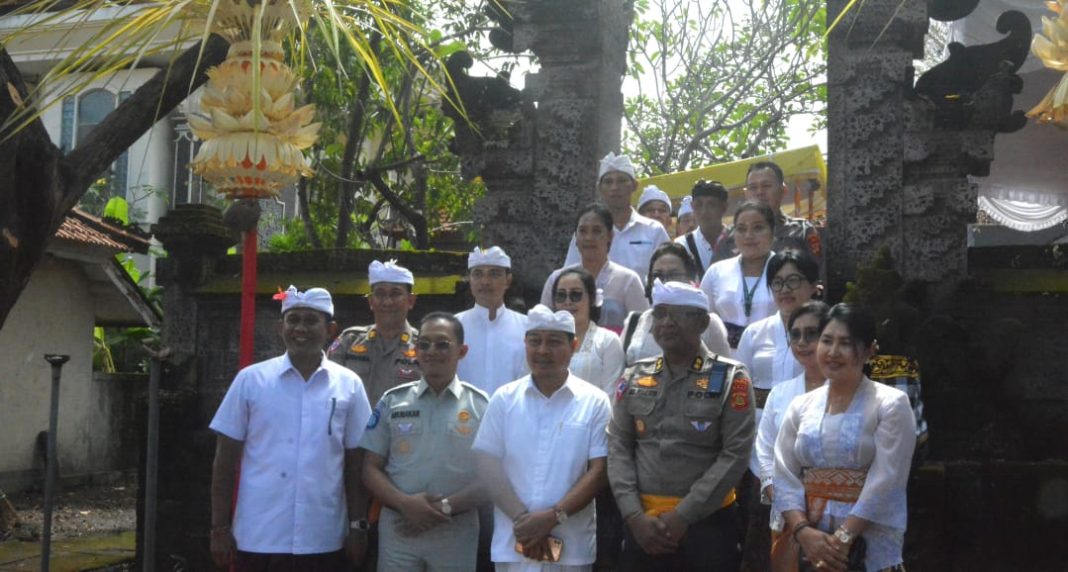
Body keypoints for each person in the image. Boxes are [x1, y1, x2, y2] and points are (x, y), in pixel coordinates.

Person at [210, 286, 372, 572]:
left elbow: (356, 461)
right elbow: (225, 459)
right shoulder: (250, 381)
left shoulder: (349, 384)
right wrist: (219, 528)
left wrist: (358, 526)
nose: (301, 328)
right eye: (293, 319)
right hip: (259, 536)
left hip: (323, 537)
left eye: (311, 320)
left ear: (331, 329)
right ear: (279, 327)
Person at [607, 279, 756, 571]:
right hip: (642, 524)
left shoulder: (731, 378)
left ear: (702, 323)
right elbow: (619, 446)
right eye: (660, 314)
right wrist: (634, 516)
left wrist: (683, 516)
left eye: (678, 314)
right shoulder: (635, 376)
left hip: (707, 527)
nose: (667, 322)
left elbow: (735, 455)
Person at [773, 304, 916, 572]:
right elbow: (783, 472)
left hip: (866, 542)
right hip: (807, 541)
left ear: (869, 350)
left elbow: (887, 478)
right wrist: (803, 531)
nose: (833, 352)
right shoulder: (800, 406)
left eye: (845, 343)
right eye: (826, 341)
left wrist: (843, 539)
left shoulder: (891, 404)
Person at [473, 305, 612, 572]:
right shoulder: (504, 398)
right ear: (525, 344)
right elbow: (486, 462)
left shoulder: (595, 401)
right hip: (514, 541)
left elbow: (599, 470)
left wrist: (553, 517)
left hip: (570, 546)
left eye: (554, 342)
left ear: (573, 345)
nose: (543, 351)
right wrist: (523, 520)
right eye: (534, 341)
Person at [360, 312, 489, 572]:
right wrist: (405, 504)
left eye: (442, 344)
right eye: (424, 344)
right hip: (400, 529)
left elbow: (492, 479)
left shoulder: (482, 406)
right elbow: (370, 468)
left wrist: (443, 508)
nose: (432, 351)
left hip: (455, 531)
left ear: (462, 351)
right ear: (416, 350)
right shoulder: (392, 401)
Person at [746, 300, 830, 572]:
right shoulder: (780, 394)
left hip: (837, 514)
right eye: (795, 334)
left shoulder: (851, 393)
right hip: (786, 513)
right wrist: (790, 510)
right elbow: (765, 453)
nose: (802, 342)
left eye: (812, 334)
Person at [563, 152, 671, 281]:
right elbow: (570, 275)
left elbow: (669, 277)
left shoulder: (654, 231)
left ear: (634, 186)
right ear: (599, 188)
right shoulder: (587, 232)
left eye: (622, 181)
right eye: (608, 182)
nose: (614, 187)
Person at [542, 204, 649, 332]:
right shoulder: (557, 279)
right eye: (583, 231)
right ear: (575, 237)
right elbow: (543, 325)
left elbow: (643, 331)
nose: (589, 238)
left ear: (610, 236)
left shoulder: (628, 280)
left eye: (596, 231)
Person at [329, 259, 421, 407]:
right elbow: (328, 392)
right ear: (371, 301)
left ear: (411, 300)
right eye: (380, 294)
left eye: (396, 294)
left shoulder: (424, 346)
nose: (387, 302)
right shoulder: (348, 342)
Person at [621, 242, 731, 365]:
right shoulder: (636, 321)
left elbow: (723, 373)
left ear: (691, 280)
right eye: (658, 276)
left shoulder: (708, 323)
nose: (665, 283)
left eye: (674, 275)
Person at [700, 200, 778, 349]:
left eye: (758, 228)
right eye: (741, 229)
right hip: (725, 360)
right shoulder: (716, 272)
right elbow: (704, 321)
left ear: (773, 231)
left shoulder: (786, 271)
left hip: (772, 357)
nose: (748, 235)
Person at [718, 161, 822, 264]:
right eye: (753, 187)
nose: (759, 192)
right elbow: (716, 276)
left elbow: (820, 274)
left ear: (783, 190)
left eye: (766, 186)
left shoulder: (802, 230)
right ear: (746, 194)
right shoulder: (729, 235)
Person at [457, 246, 529, 396]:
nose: (485, 282)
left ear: (508, 281)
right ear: (469, 280)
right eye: (478, 274)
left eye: (494, 274)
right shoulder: (453, 326)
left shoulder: (527, 327)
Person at [550, 267, 625, 394]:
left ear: (591, 299)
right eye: (561, 296)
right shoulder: (543, 342)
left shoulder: (608, 341)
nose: (567, 302)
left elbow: (611, 396)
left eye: (576, 295)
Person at [674, 180, 731, 276]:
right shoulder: (682, 245)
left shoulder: (737, 240)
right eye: (699, 205)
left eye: (711, 205)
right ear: (693, 206)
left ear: (724, 207)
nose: (704, 211)